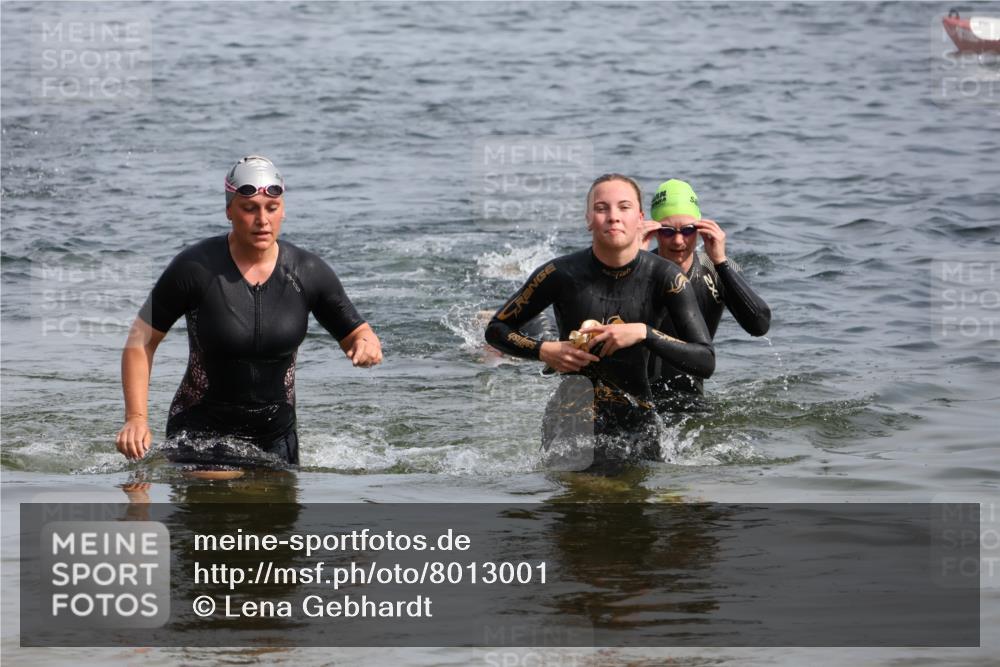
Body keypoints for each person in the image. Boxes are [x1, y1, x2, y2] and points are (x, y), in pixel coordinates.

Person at [115, 156, 382, 465]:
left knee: (274, 511)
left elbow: (357, 333)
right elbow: (140, 340)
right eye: (249, 208)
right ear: (229, 210)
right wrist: (136, 417)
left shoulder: (307, 271)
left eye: (271, 208)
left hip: (278, 439)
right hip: (202, 435)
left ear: (283, 210)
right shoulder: (194, 268)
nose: (262, 220)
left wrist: (367, 345)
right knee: (224, 496)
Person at [485, 174, 714, 465]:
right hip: (571, 422)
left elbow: (706, 360)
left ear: (640, 219)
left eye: (624, 207)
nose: (613, 217)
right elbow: (497, 329)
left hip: (637, 424)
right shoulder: (559, 274)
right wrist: (545, 351)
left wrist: (644, 333)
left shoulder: (665, 277)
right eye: (602, 208)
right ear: (588, 219)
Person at [645, 179, 771, 396]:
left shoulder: (716, 269)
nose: (678, 241)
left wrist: (720, 261)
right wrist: (635, 259)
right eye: (667, 231)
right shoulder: (637, 268)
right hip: (637, 398)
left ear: (701, 229)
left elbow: (759, 326)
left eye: (687, 230)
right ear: (653, 230)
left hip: (692, 402)